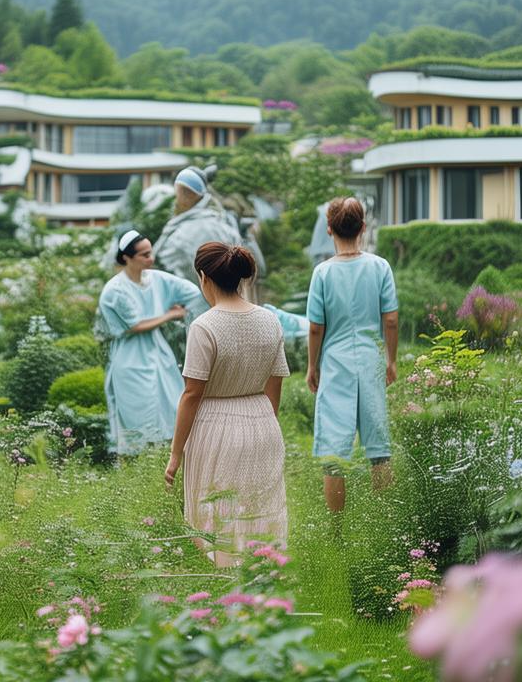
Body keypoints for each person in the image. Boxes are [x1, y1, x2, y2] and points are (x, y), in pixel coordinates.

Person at [165, 242, 290, 566]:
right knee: (261, 514)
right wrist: (262, 423)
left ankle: (226, 594)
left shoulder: (204, 326)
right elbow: (275, 384)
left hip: (215, 426)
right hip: (263, 423)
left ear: (204, 277)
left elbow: (192, 393)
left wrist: (175, 454)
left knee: (217, 517)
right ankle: (263, 588)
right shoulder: (269, 320)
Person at [306, 197, 399, 516]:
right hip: (372, 361)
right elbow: (391, 319)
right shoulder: (380, 266)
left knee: (333, 452)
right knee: (379, 448)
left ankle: (336, 529)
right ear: (363, 228)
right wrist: (391, 360)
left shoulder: (322, 273)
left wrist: (311, 366)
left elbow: (316, 327)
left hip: (335, 364)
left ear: (329, 229)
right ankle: (384, 520)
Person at [96, 230, 205, 455]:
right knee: (138, 412)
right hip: (130, 355)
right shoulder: (116, 290)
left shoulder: (156, 278)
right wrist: (170, 315)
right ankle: (139, 462)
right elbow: (134, 326)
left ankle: (171, 456)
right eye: (144, 255)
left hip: (158, 352)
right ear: (127, 257)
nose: (150, 258)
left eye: (150, 252)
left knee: (172, 404)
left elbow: (193, 292)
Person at [153, 167, 246, 287]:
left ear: (188, 195)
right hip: (222, 296)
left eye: (182, 193)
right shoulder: (219, 221)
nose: (177, 200)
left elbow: (165, 267)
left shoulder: (191, 230)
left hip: (196, 298)